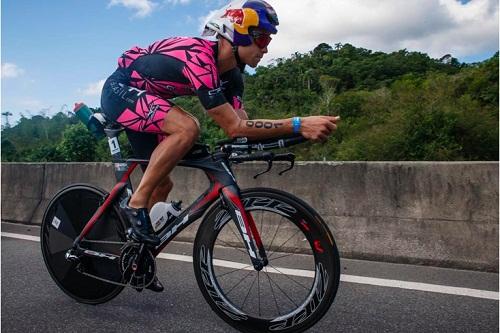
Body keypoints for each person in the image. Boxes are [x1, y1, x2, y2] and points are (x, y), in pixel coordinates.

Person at [100, 0, 340, 291]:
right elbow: (233, 126)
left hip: (149, 102)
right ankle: (135, 205)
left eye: (269, 40)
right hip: (120, 91)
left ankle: (136, 256)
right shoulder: (200, 56)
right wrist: (299, 123)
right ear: (237, 33)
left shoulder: (233, 78)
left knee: (161, 186)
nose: (266, 48)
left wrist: (294, 136)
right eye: (261, 38)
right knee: (187, 127)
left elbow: (242, 128)